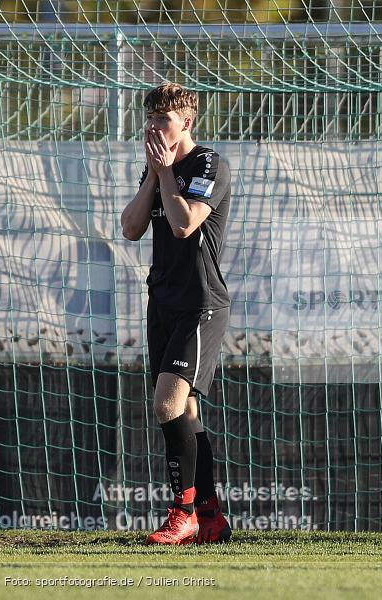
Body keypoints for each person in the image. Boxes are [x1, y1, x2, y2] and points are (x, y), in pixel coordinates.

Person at [120, 83, 233, 545]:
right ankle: (210, 516)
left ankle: (182, 512)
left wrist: (166, 175)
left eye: (162, 119)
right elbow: (130, 228)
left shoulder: (209, 163)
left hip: (199, 304)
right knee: (184, 410)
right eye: (148, 117)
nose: (152, 126)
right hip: (162, 301)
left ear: (186, 122)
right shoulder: (157, 168)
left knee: (166, 404)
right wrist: (154, 175)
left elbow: (186, 224)